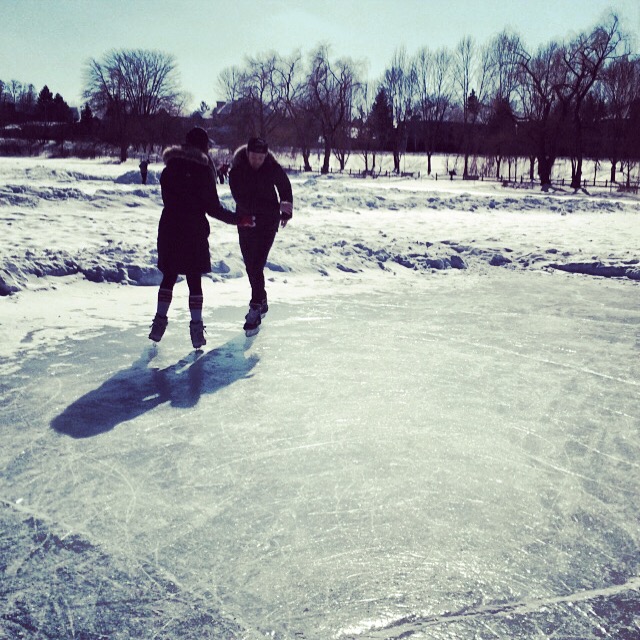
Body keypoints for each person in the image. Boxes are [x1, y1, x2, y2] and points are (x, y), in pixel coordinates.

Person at [149, 127, 254, 349]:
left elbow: (169, 198)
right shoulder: (203, 170)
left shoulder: (169, 168)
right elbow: (212, 207)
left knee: (169, 276)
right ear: (203, 146)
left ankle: (158, 324)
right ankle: (196, 329)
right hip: (193, 229)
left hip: (169, 227)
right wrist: (238, 219)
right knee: (194, 280)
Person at [229, 137, 293, 334]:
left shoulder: (272, 167)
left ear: (265, 156)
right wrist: (275, 207)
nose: (257, 161)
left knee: (257, 264)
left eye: (260, 157)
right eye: (254, 157)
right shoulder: (237, 170)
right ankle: (261, 299)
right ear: (247, 154)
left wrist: (286, 211)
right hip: (246, 221)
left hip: (267, 223)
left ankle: (255, 306)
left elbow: (284, 186)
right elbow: (241, 198)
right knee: (250, 265)